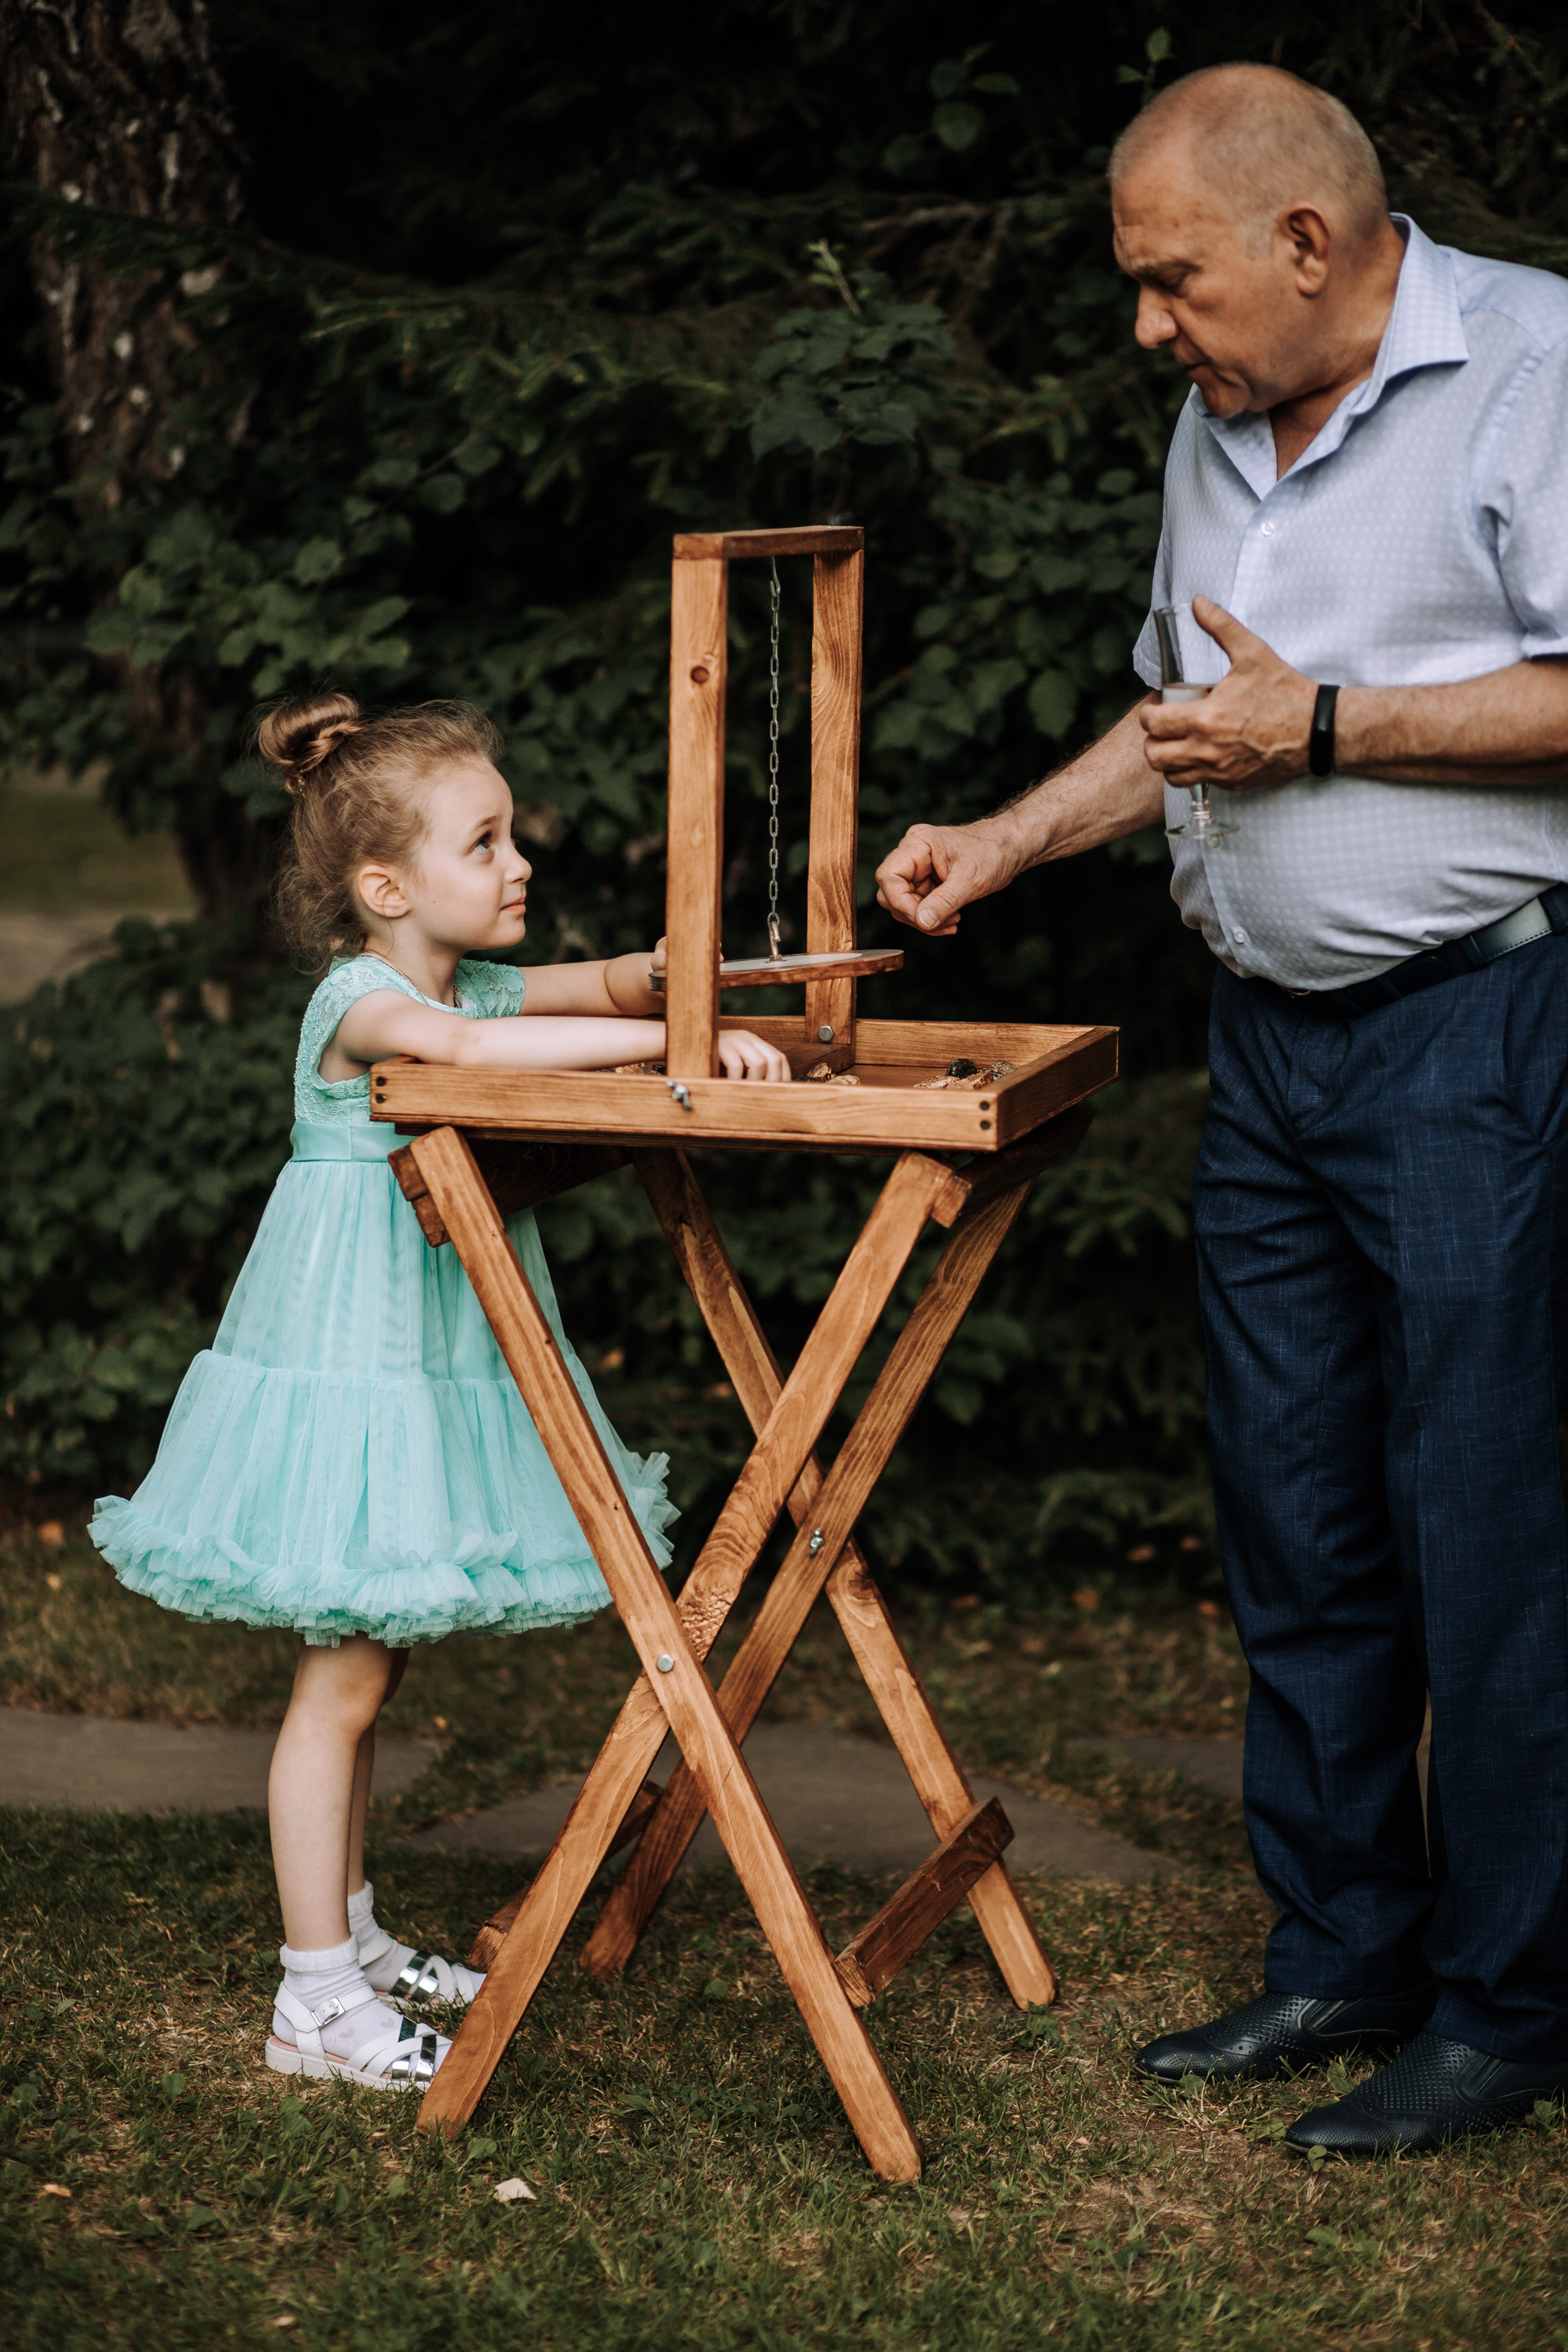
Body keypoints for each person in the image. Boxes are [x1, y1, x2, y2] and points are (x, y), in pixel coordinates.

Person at [876, 64, 1568, 2157]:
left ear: (1304, 239)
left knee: (1494, 1539)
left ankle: (1510, 2005)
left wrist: (1335, 721)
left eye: (1169, 282)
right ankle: (1343, 1953)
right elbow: (1191, 713)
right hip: (1269, 1053)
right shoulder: (1223, 416)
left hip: (1478, 1043)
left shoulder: (1536, 365)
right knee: (1297, 1519)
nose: (1149, 329)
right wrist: (1011, 837)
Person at [92, 691, 790, 2093]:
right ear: (385, 886)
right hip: (352, 1366)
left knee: (373, 1657)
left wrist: (672, 983)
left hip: (415, 1366)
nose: (519, 861)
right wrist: (680, 1053)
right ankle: (313, 2007)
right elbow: (469, 1056)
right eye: (488, 842)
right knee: (341, 1677)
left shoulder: (459, 979)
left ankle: (346, 1941)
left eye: (512, 833)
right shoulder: (366, 1001)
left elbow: (588, 988)